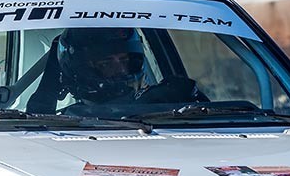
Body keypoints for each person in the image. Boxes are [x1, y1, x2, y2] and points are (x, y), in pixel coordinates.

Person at [28, 27, 203, 114]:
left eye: (125, 60)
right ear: (82, 69)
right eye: (106, 63)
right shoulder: (62, 124)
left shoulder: (165, 104)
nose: (120, 69)